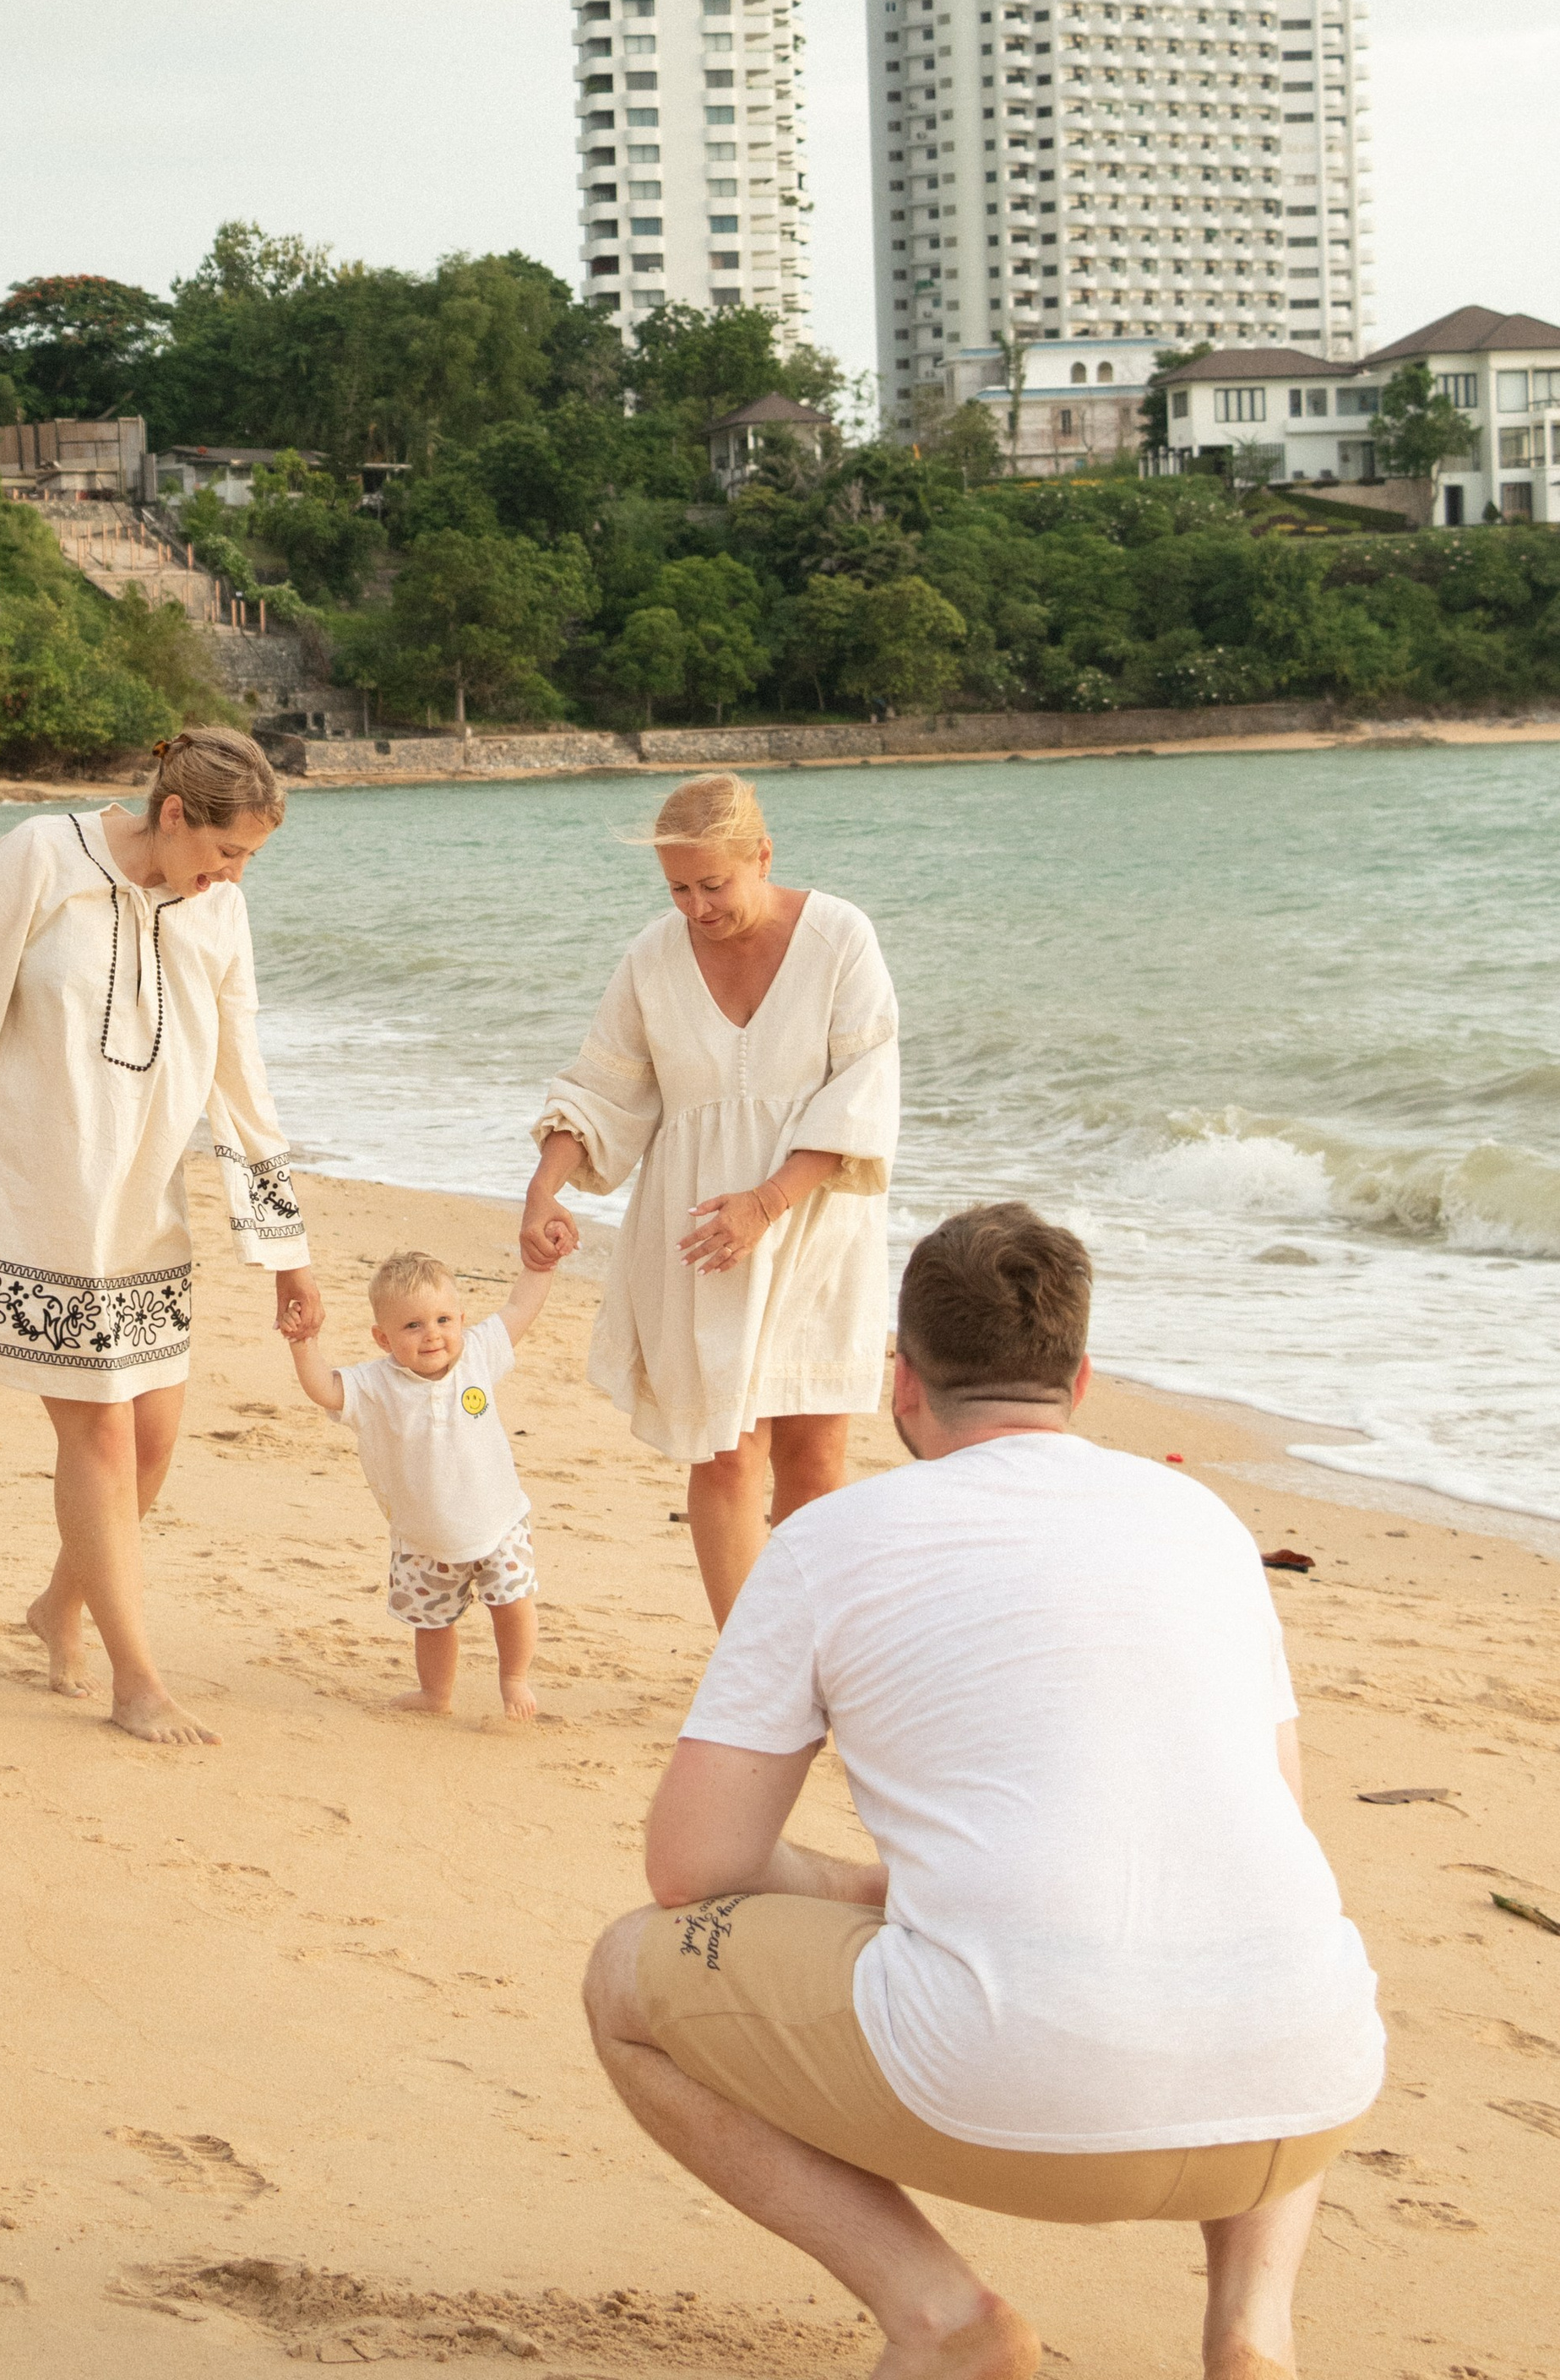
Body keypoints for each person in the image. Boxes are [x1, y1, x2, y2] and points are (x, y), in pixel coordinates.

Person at [582, 1202, 1384, 2380]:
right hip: (1307, 2093)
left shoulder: (829, 1541)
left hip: (1026, 2098)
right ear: (1081, 1378)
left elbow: (692, 1869)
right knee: (1241, 1905)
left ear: (898, 1381)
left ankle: (944, 2318)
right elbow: (1273, 1809)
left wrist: (862, 1885)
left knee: (626, 1980)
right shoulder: (1203, 1522)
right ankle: (1253, 2336)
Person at [0, 726, 323, 1749]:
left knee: (152, 1440)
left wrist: (286, 1248)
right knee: (98, 1432)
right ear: (174, 813)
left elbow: (243, 1075)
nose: (232, 875)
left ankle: (61, 1605)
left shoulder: (219, 910)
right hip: (33, 1188)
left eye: (250, 861)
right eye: (226, 851)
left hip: (143, 1205)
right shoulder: (42, 856)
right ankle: (136, 1679)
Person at [522, 771, 899, 1624]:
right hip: (702, 1235)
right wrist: (545, 1186)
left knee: (814, 1455)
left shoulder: (840, 937)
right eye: (678, 888)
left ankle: (804, 1649)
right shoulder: (653, 956)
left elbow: (864, 1091)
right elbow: (603, 1087)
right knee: (726, 1454)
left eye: (713, 884)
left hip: (814, 1223)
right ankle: (749, 1661)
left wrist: (766, 1202)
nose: (696, 907)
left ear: (762, 856)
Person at [286, 1247, 555, 1721]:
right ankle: (436, 1695)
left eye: (443, 1320)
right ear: (383, 1337)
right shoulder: (374, 1385)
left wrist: (540, 1266)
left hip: (499, 1522)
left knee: (512, 1603)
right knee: (432, 1626)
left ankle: (514, 1677)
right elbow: (322, 1389)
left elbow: (520, 1308)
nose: (432, 1334)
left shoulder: (479, 1355)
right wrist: (303, 1342)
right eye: (413, 1326)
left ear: (461, 1320)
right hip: (421, 1539)